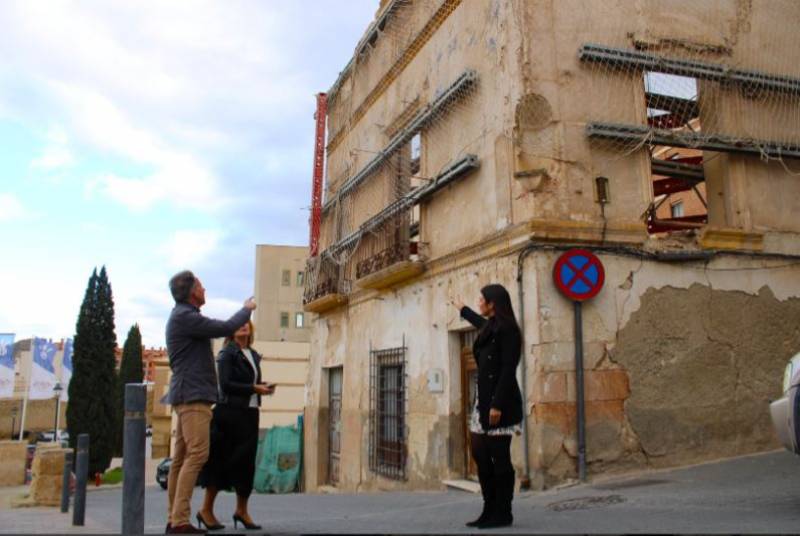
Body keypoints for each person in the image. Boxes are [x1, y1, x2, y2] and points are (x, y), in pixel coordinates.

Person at [165, 270, 256, 534]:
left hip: (185, 394)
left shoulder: (182, 317)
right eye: (201, 286)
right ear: (193, 291)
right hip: (193, 397)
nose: (205, 290)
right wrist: (246, 309)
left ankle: (175, 518)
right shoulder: (185, 317)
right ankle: (180, 521)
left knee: (181, 459)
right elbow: (225, 328)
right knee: (197, 455)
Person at [452, 284, 523, 529]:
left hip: (499, 403)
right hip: (482, 403)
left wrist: (497, 405)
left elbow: (507, 369)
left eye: (482, 299)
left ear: (493, 303)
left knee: (499, 458)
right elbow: (479, 323)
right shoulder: (490, 327)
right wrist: (463, 309)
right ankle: (488, 508)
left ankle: (504, 512)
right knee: (480, 454)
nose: (479, 302)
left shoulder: (509, 330)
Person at [196, 320, 275, 531]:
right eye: (238, 324)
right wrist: (254, 389)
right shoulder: (227, 354)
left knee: (246, 463)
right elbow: (226, 384)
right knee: (219, 462)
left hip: (249, 414)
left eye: (246, 324)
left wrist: (262, 387)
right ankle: (205, 509)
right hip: (228, 413)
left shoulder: (252, 353)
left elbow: (249, 383)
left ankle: (242, 510)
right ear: (231, 332)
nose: (243, 326)